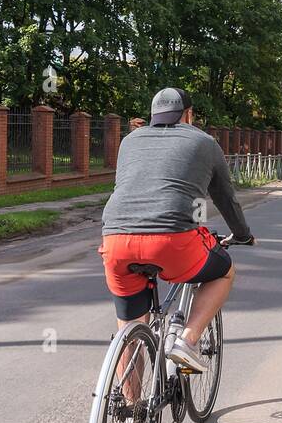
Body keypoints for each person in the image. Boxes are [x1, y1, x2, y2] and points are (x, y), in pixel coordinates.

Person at [100, 87, 255, 373]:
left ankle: (131, 414)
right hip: (173, 241)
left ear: (153, 116)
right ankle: (188, 340)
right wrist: (242, 234)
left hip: (115, 241)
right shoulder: (205, 143)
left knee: (129, 330)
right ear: (189, 115)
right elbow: (225, 199)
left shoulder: (129, 141)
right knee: (224, 271)